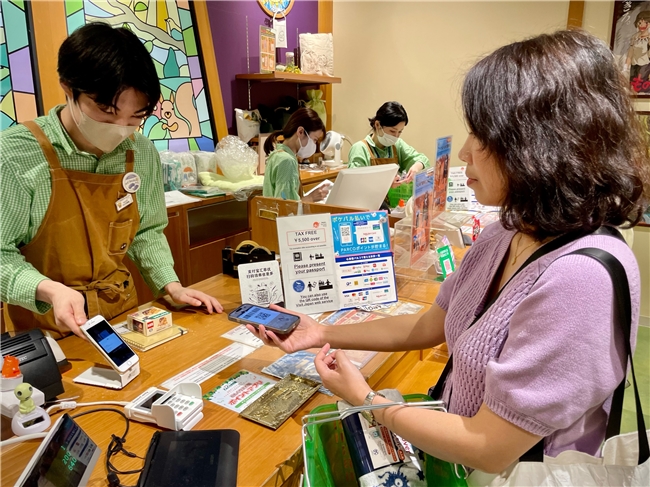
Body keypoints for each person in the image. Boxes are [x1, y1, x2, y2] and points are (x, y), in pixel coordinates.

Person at [248, 30, 649, 474]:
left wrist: (364, 397)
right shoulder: (505, 233)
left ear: (539, 146)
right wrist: (320, 332)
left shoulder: (580, 278)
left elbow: (488, 447)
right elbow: (431, 324)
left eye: (481, 135)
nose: (464, 152)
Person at [0, 23, 222, 340]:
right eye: (106, 111)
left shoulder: (140, 152)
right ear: (68, 88)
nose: (120, 128)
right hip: (45, 326)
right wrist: (48, 289)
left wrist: (170, 284)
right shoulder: (15, 154)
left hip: (119, 316)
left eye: (136, 117)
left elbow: (146, 231)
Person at [347, 102, 430, 186]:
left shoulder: (397, 145)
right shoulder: (360, 149)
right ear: (377, 125)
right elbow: (355, 183)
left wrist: (416, 167)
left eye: (400, 132)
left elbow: (423, 159)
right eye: (392, 131)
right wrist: (385, 183)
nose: (396, 136)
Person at [262, 107, 329, 202]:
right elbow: (286, 206)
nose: (314, 145)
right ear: (300, 132)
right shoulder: (287, 161)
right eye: (314, 140)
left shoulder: (277, 155)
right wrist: (311, 198)